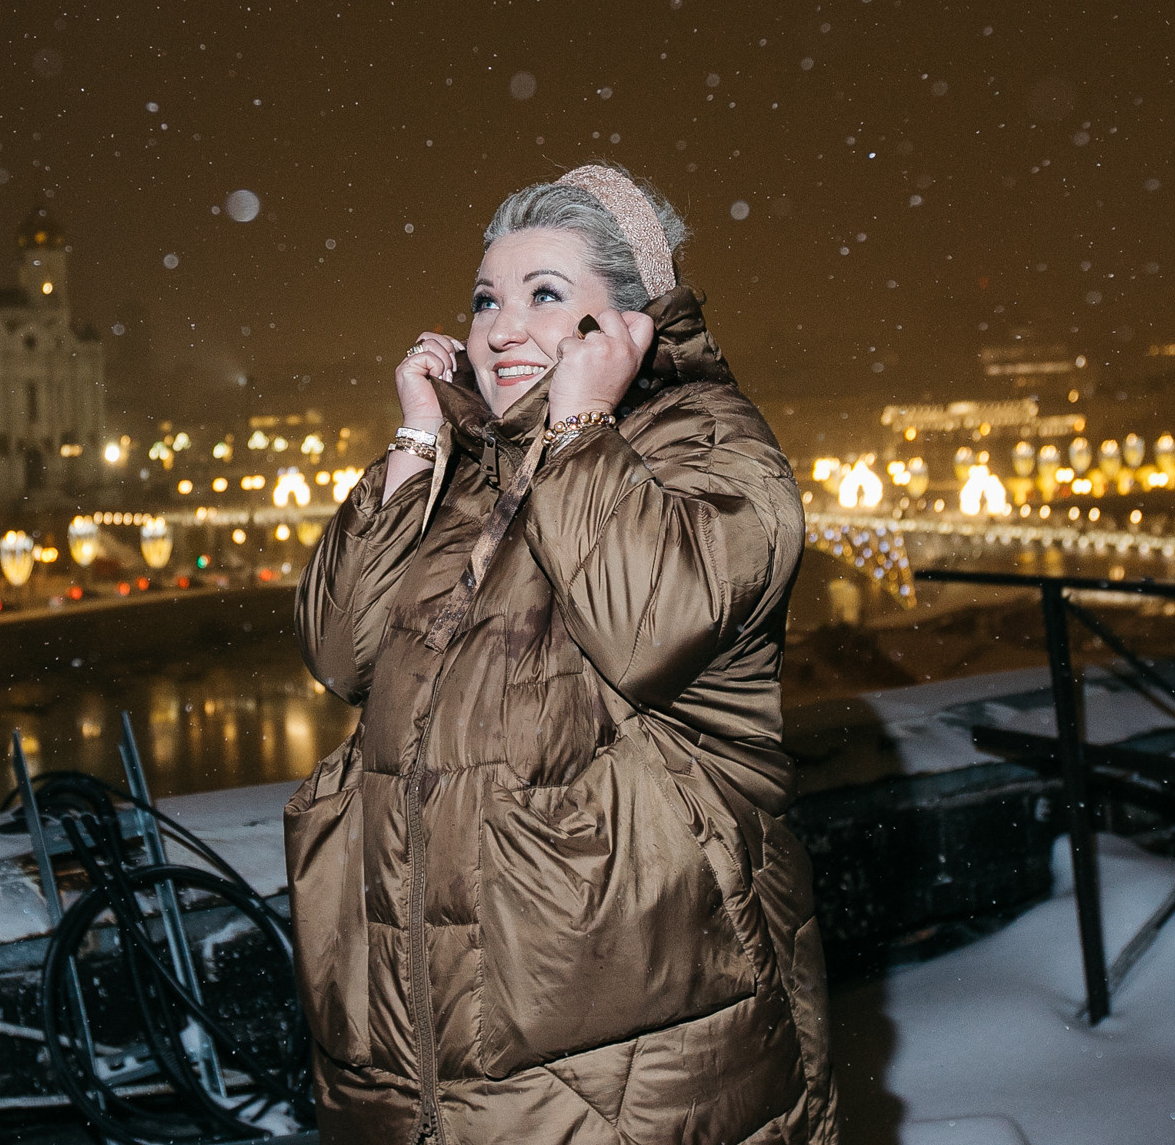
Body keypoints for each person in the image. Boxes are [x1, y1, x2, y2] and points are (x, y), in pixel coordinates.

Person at [286, 165, 838, 1143]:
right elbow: (339, 652)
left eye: (546, 295)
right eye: (486, 298)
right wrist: (417, 442)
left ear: (633, 320)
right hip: (415, 1062)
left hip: (628, 1075)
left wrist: (581, 426)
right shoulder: (470, 473)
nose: (499, 328)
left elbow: (650, 621)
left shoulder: (709, 447)